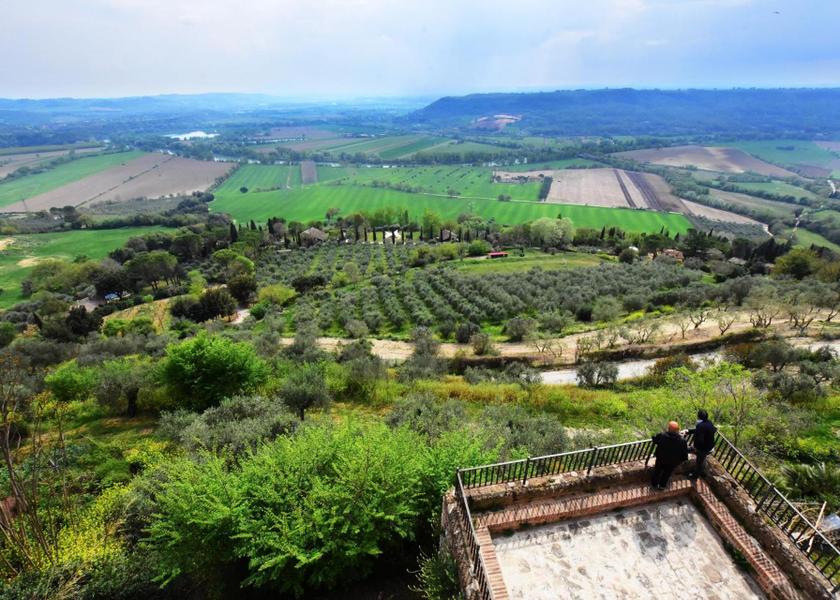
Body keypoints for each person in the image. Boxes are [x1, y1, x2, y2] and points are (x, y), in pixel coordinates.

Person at [651, 421, 689, 490]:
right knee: (667, 473)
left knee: (657, 471)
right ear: (678, 430)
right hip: (672, 462)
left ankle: (654, 484)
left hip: (661, 458)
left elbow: (654, 439)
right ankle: (662, 486)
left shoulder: (662, 435)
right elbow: (684, 454)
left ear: (668, 429)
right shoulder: (682, 441)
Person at [688, 409, 716, 479]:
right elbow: (714, 429)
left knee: (699, 463)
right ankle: (701, 472)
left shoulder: (700, 425)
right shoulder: (709, 422)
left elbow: (700, 440)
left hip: (704, 449)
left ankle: (695, 476)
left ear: (699, 416)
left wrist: (696, 447)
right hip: (710, 446)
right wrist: (689, 431)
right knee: (701, 461)